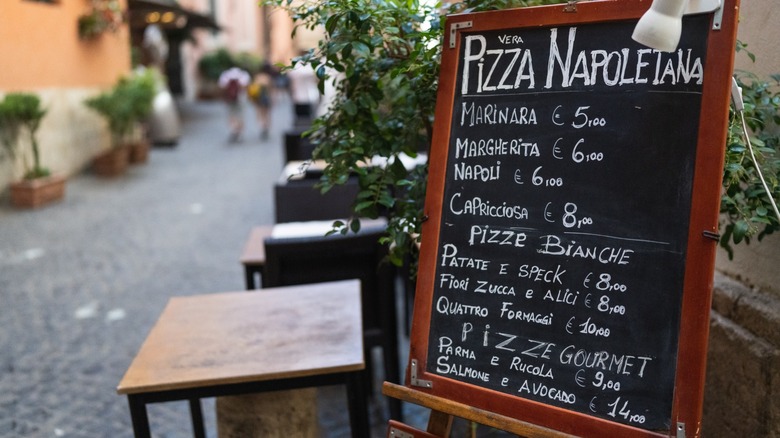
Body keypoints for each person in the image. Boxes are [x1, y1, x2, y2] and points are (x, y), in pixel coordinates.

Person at [218, 66, 251, 142]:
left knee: (231, 114)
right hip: (241, 98)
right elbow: (246, 86)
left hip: (229, 98)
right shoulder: (243, 74)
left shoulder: (226, 74)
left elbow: (221, 86)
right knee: (240, 115)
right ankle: (239, 131)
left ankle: (234, 129)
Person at [286, 58, 320, 125]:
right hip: (309, 97)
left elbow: (291, 82)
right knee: (308, 117)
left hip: (300, 97)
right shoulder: (311, 67)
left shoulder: (296, 67)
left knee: (300, 117)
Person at [247, 62, 274, 140]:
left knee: (260, 112)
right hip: (266, 97)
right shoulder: (268, 77)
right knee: (266, 113)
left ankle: (262, 125)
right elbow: (271, 89)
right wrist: (273, 98)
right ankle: (266, 126)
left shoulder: (257, 77)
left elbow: (252, 88)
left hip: (258, 98)